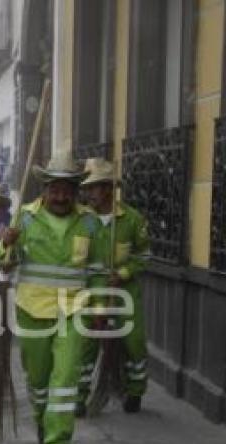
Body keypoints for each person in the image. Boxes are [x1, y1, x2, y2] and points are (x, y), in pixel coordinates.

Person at [0, 150, 101, 444]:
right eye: (55, 189)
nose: (61, 196)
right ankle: (43, 418)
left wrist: (100, 306)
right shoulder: (24, 219)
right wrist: (7, 245)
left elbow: (98, 270)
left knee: (66, 375)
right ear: (44, 190)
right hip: (32, 309)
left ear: (76, 191)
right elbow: (3, 264)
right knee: (39, 378)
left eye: (67, 190)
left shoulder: (89, 222)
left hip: (74, 309)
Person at [78, 158, 151, 414]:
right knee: (86, 343)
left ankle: (134, 390)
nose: (88, 193)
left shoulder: (132, 219)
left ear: (109, 188)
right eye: (86, 188)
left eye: (94, 187)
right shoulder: (81, 220)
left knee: (134, 342)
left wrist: (124, 273)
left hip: (123, 290)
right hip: (90, 289)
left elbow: (143, 255)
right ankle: (80, 396)